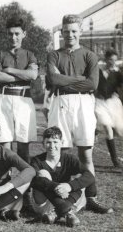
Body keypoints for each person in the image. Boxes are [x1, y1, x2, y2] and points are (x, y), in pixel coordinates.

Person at [47, 14, 113, 214]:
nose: (70, 35)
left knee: (86, 155)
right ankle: (61, 199)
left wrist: (64, 78)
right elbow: (53, 81)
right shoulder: (53, 55)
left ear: (80, 32)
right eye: (66, 31)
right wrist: (77, 78)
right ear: (62, 32)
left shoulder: (89, 55)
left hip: (84, 102)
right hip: (60, 102)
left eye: (74, 31)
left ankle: (91, 197)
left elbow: (92, 84)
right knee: (61, 155)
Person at [0, 16, 38, 163]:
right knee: (5, 142)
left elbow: (33, 75)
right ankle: (6, 181)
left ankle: (25, 183)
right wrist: (23, 76)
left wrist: (10, 69)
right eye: (10, 33)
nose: (13, 37)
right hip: (4, 98)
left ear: (24, 33)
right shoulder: (0, 54)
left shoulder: (30, 54)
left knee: (24, 144)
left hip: (23, 99)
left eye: (17, 33)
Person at [30, 126, 95, 227]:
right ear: (43, 143)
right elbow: (34, 182)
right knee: (42, 174)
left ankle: (56, 213)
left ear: (62, 142)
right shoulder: (37, 160)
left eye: (55, 142)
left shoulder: (69, 159)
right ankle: (66, 211)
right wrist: (56, 187)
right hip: (45, 203)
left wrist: (69, 186)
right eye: (48, 142)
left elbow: (90, 176)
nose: (52, 146)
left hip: (68, 199)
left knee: (80, 178)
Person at [94, 49, 123, 167]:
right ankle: (115, 160)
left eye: (115, 60)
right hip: (100, 103)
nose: (113, 63)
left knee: (120, 131)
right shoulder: (98, 71)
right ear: (106, 59)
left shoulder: (118, 73)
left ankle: (96, 131)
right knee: (107, 127)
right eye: (111, 60)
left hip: (113, 103)